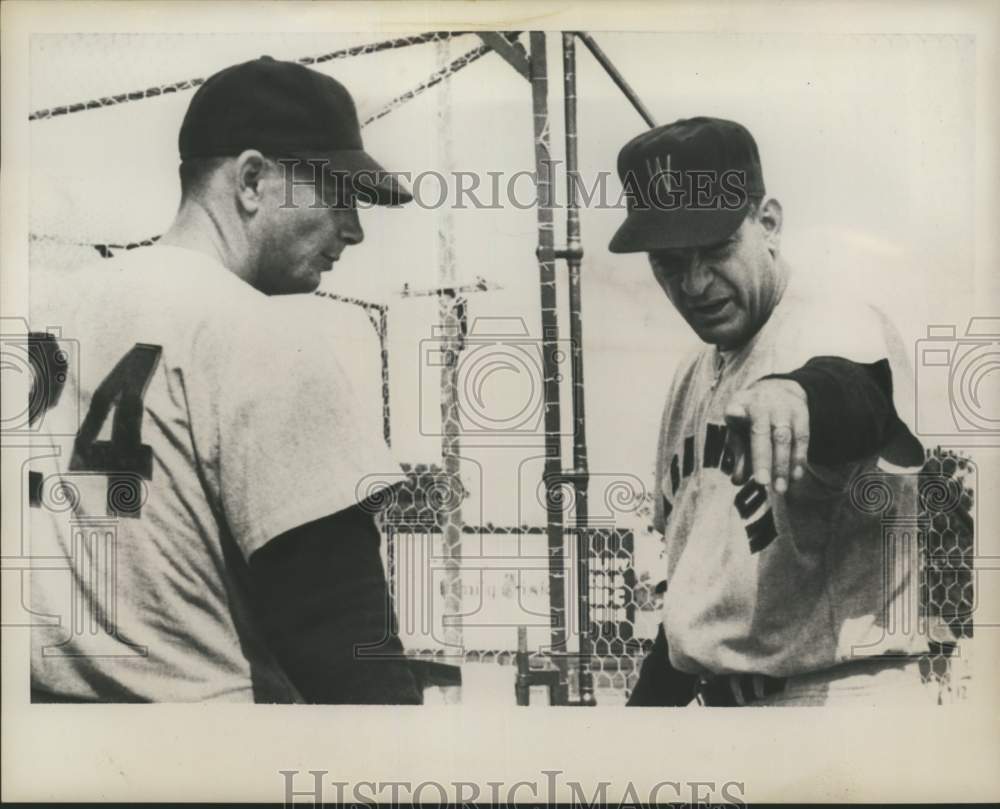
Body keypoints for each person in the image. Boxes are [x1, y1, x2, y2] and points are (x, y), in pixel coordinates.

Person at [28, 56, 421, 703]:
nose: (353, 228)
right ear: (251, 179)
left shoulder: (42, 320)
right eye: (338, 193)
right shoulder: (259, 333)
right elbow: (343, 636)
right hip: (214, 756)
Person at [610, 117, 935, 706]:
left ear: (768, 223)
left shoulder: (833, 318)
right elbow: (702, 605)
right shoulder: (694, 373)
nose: (695, 283)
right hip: (734, 713)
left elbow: (857, 394)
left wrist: (796, 393)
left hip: (838, 703)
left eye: (715, 250)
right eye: (669, 261)